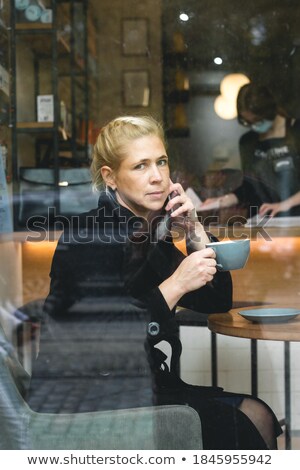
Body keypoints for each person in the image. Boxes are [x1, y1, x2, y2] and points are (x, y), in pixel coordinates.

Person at [27, 115, 281, 449]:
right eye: (140, 166)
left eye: (161, 162)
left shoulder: (145, 232)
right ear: (111, 177)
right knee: (247, 421)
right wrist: (176, 284)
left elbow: (214, 301)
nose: (157, 176)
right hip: (86, 400)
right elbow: (101, 341)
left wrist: (195, 232)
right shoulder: (90, 235)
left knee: (258, 412)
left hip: (132, 385)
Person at [201, 83, 300, 217]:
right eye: (247, 122)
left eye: (257, 120)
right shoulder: (248, 142)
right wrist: (222, 201)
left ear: (269, 111)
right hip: (266, 222)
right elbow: (250, 187)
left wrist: (284, 205)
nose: (254, 126)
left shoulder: (296, 131)